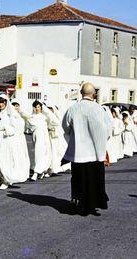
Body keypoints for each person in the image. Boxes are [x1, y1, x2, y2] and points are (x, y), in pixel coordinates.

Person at [62, 82, 110, 215]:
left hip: (79, 152)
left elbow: (65, 127)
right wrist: (101, 141)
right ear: (94, 95)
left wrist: (75, 135)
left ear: (81, 93)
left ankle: (81, 203)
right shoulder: (100, 109)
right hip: (95, 152)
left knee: (79, 179)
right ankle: (94, 204)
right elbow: (108, 129)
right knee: (95, 179)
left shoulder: (73, 109)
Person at [0, 95, 29, 189]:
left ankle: (5, 180)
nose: (0, 105)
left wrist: (5, 128)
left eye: (2, 102)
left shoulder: (10, 114)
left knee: (2, 159)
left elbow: (17, 126)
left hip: (4, 137)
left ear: (6, 103)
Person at [25, 100, 52, 181]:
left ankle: (36, 173)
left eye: (38, 107)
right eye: (35, 107)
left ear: (41, 108)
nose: (37, 109)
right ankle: (42, 170)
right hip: (35, 136)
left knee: (39, 153)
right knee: (38, 154)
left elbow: (51, 122)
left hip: (43, 137)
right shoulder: (31, 117)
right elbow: (29, 127)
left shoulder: (44, 117)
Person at [42, 103, 70, 176]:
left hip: (58, 140)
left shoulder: (58, 118)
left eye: (51, 109)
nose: (50, 111)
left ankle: (55, 169)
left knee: (58, 154)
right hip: (49, 139)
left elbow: (61, 129)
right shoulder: (46, 118)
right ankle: (50, 169)